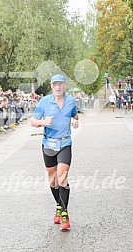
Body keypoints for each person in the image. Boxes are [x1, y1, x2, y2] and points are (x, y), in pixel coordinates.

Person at [31, 74, 79, 231]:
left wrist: (75, 121)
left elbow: (75, 115)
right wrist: (42, 122)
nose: (57, 87)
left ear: (65, 85)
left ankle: (64, 214)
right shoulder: (44, 101)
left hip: (65, 142)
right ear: (51, 86)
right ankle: (59, 205)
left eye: (60, 84)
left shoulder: (71, 101)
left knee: (62, 178)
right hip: (49, 144)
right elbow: (33, 121)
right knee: (53, 181)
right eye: (54, 84)